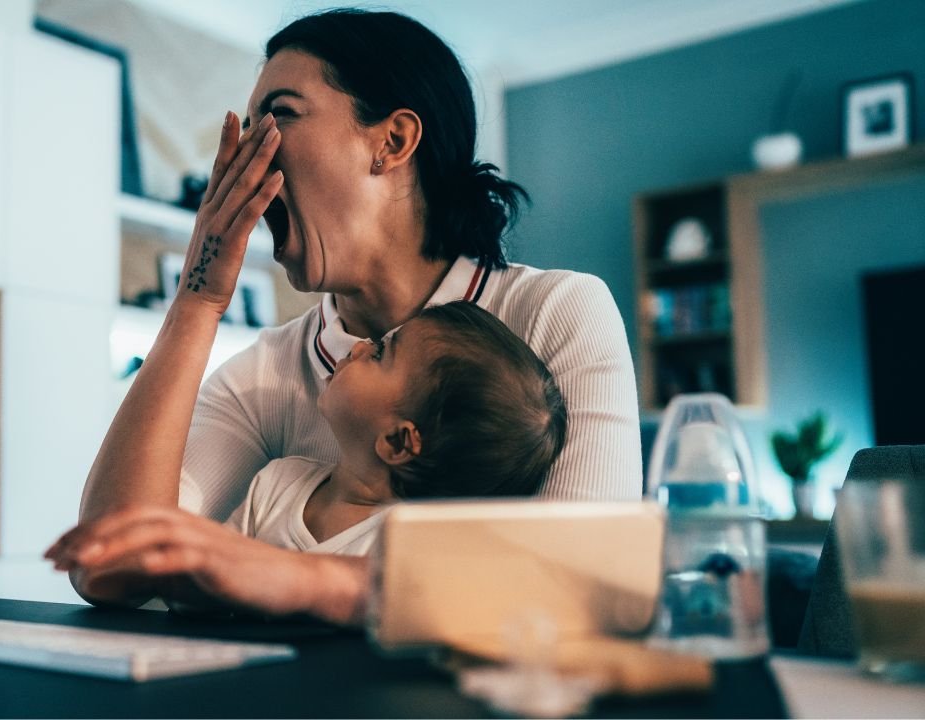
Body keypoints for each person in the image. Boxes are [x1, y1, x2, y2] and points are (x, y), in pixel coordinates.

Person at [46, 9, 641, 624]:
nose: (247, 154)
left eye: (278, 115)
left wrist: (300, 579)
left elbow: (589, 583)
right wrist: (197, 301)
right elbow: (107, 566)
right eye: (247, 126)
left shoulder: (557, 311)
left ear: (392, 141)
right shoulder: (264, 375)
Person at [228, 300, 567, 555]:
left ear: (397, 442)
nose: (359, 346)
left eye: (378, 355)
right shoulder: (274, 484)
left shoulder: (411, 551)